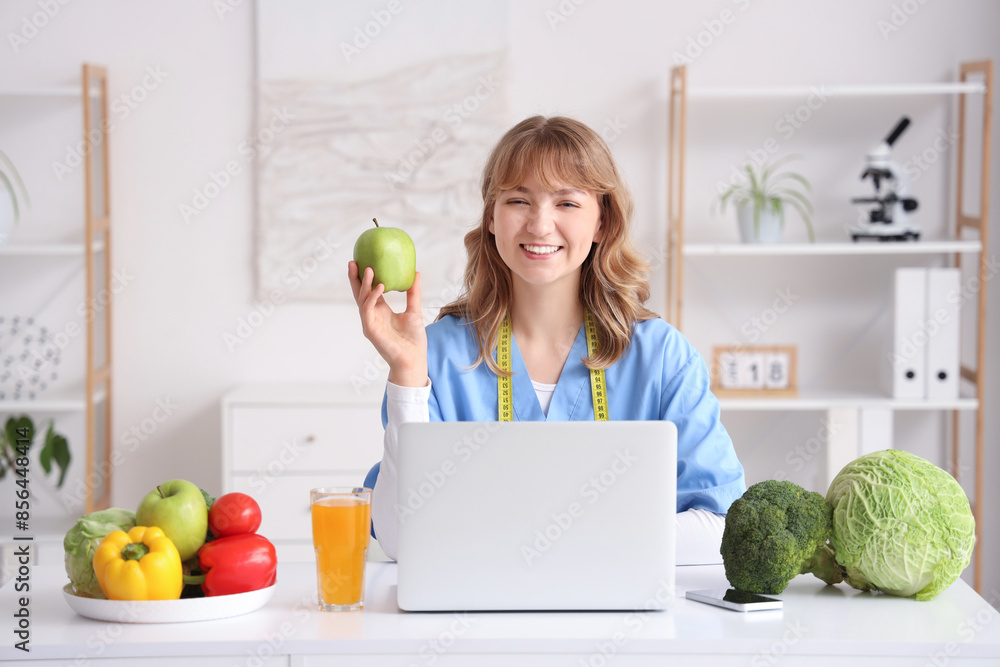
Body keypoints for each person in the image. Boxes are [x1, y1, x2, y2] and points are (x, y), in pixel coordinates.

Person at [348, 115, 746, 563]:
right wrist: (405, 371)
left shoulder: (661, 357)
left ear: (602, 223)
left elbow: (723, 529)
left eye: (567, 204)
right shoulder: (432, 354)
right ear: (493, 218)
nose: (539, 225)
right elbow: (404, 540)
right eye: (519, 200)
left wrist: (549, 536)